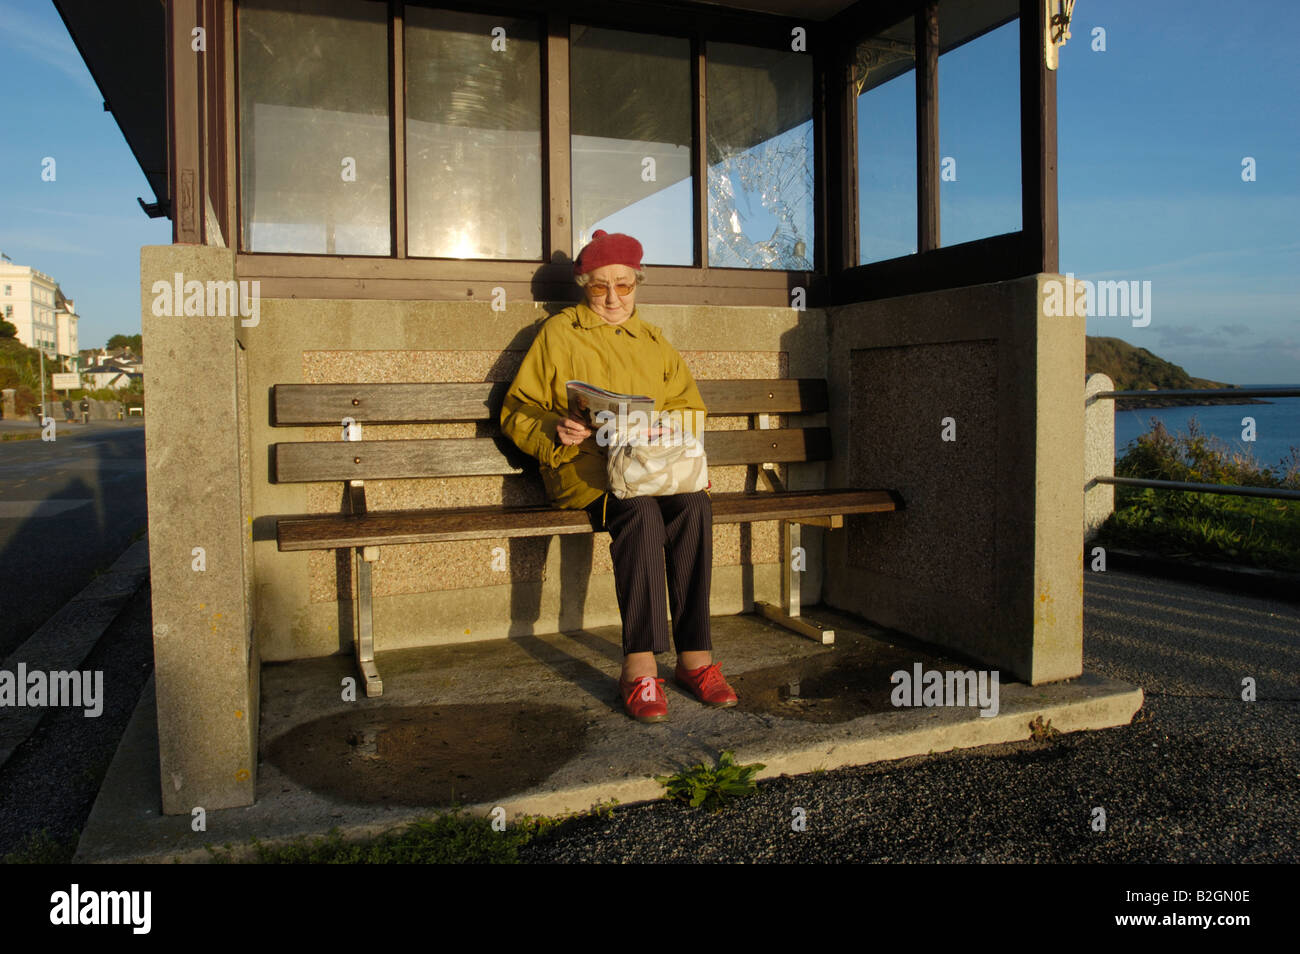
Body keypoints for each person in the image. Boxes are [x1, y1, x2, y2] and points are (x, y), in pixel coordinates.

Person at [500, 230, 738, 723]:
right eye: (600, 287)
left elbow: (690, 408)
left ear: (637, 284)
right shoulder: (559, 334)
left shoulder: (653, 340)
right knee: (639, 513)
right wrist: (554, 427)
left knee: (695, 505)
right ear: (585, 285)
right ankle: (640, 667)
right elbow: (515, 409)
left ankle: (695, 657)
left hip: (649, 468)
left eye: (624, 286)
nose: (612, 298)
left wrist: (663, 427)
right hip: (586, 472)